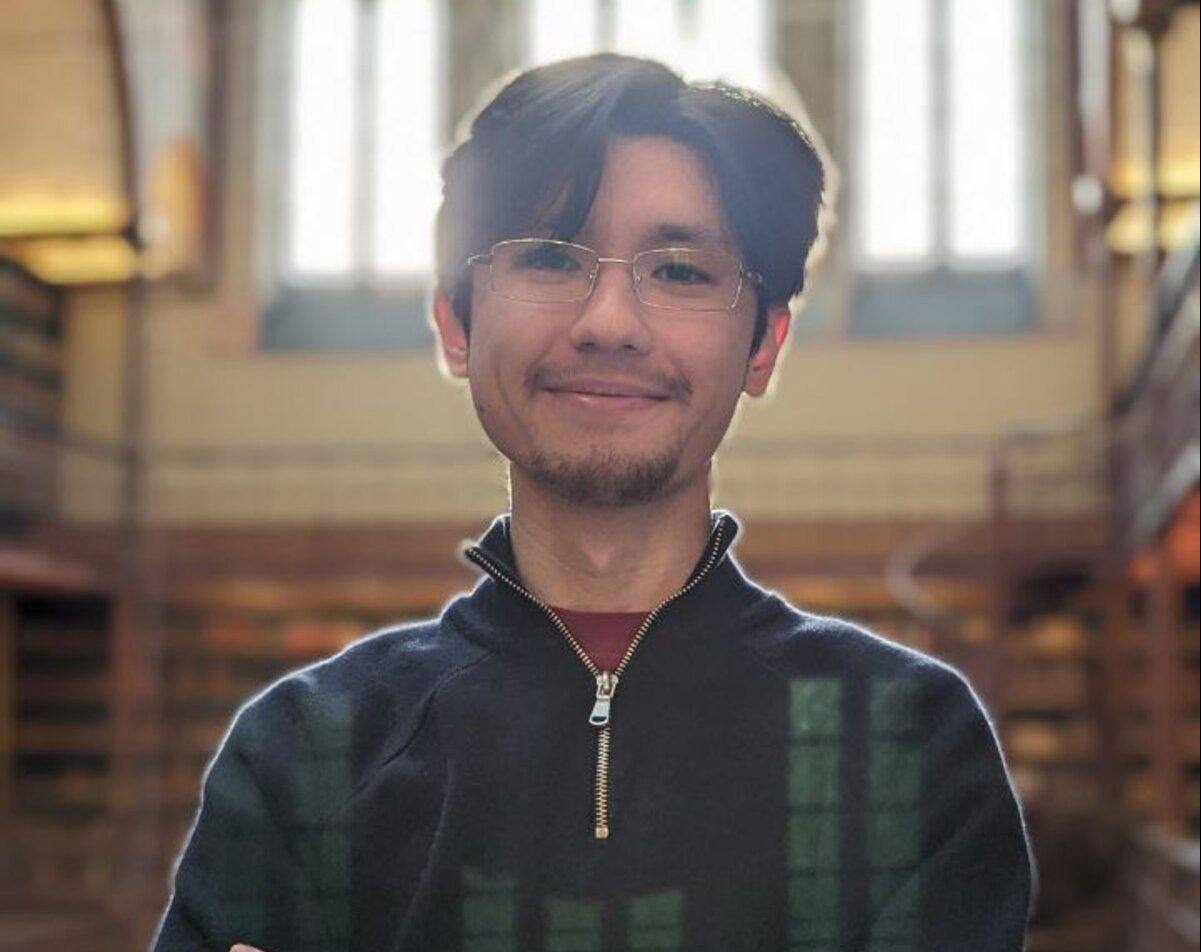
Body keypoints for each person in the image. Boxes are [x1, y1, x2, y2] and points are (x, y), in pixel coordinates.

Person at [154, 54, 1033, 952]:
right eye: (547, 256)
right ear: (454, 324)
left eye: (679, 271)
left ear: (764, 345)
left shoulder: (909, 742)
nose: (608, 323)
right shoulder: (301, 752)